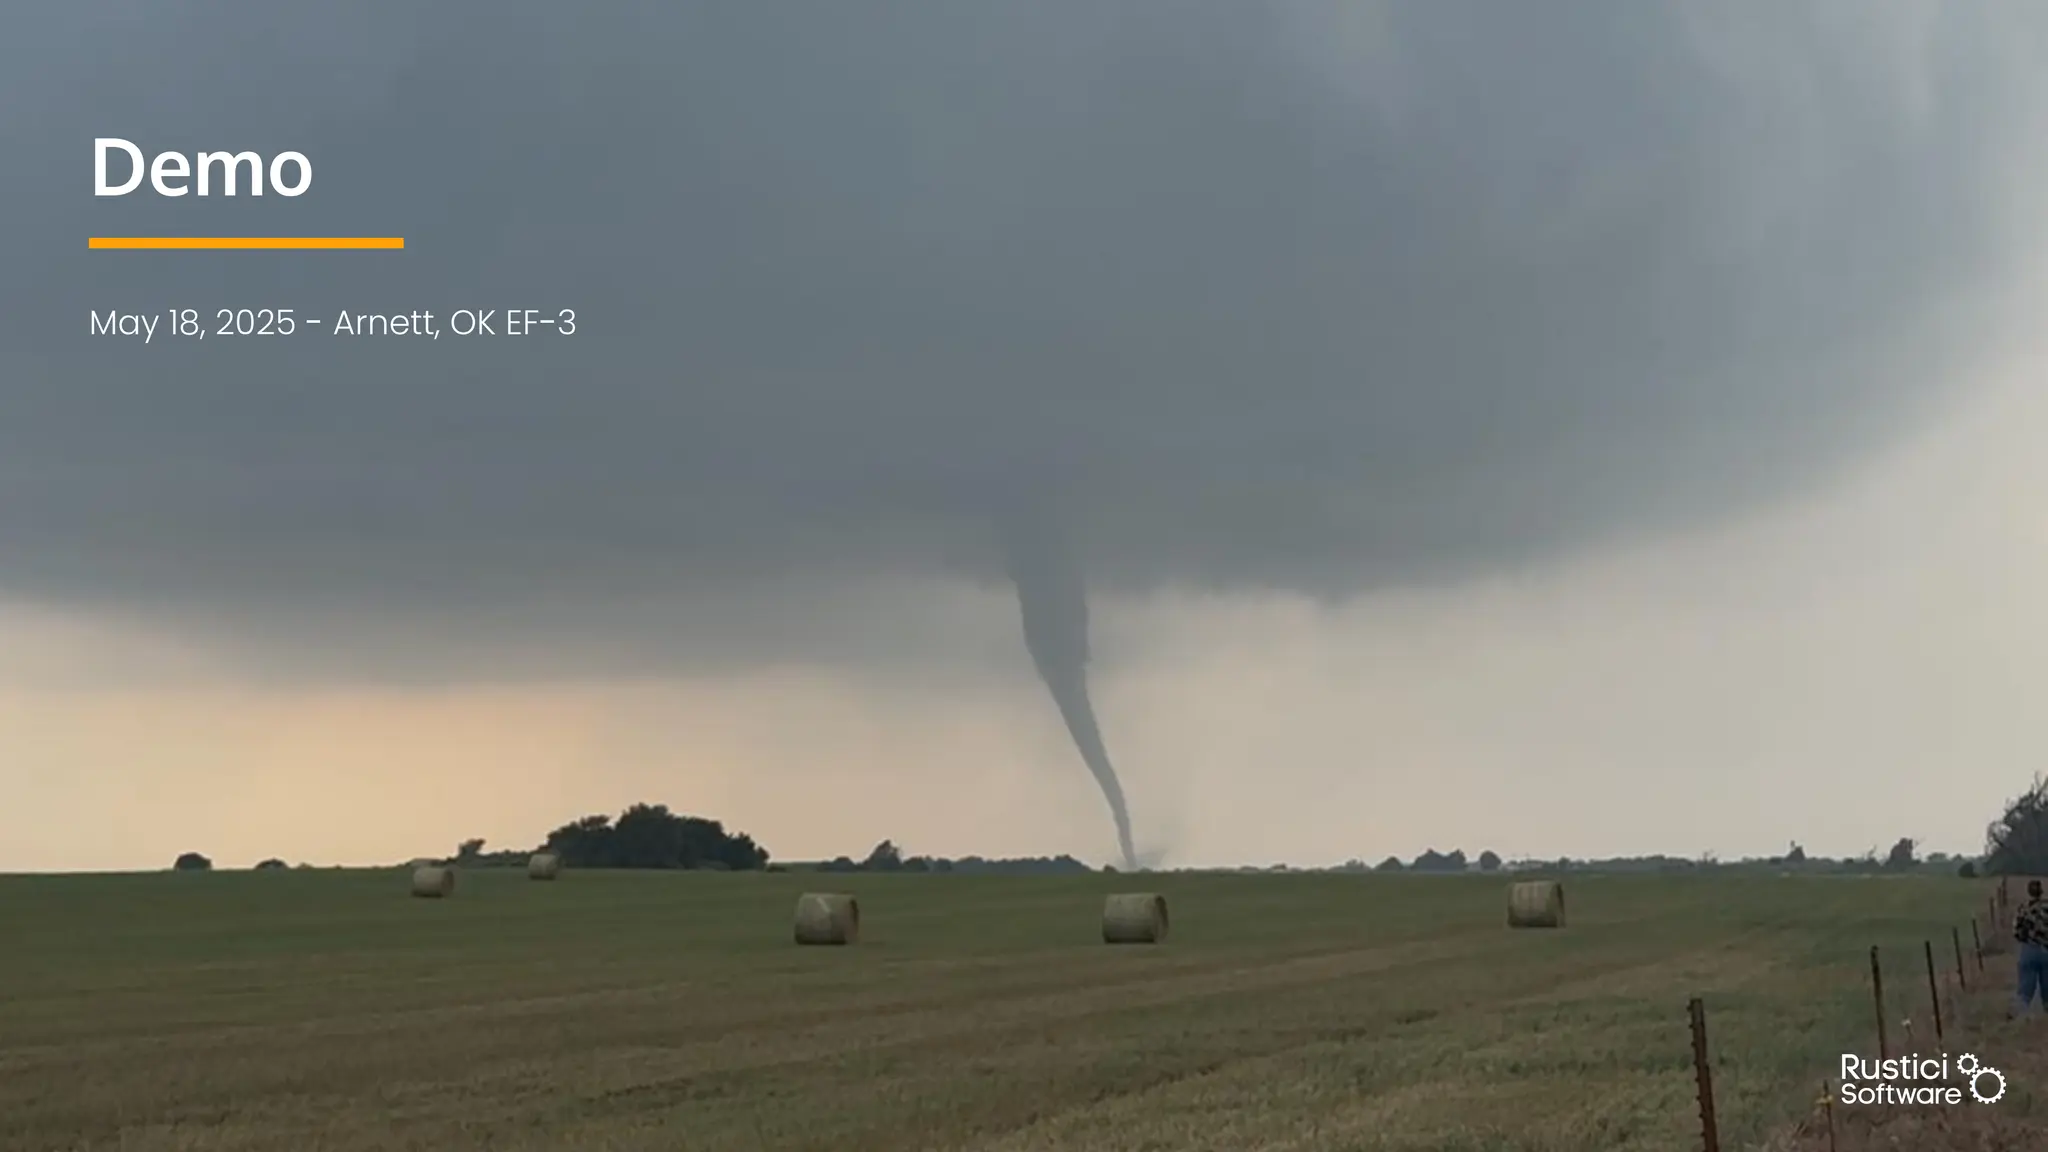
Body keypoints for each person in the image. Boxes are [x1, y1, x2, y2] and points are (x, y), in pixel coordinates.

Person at [2015, 879, 2048, 1017]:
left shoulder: (2023, 908)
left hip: (2028, 949)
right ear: (2041, 891)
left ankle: (2021, 1017)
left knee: (2025, 988)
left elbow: (2016, 932)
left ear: (2029, 891)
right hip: (2046, 950)